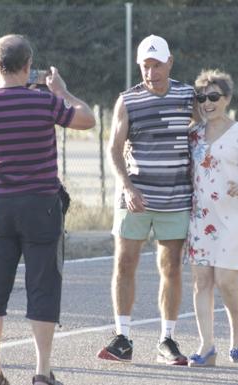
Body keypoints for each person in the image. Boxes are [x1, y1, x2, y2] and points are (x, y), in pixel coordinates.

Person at [0, 34, 95, 385]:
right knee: (43, 285)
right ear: (28, 66)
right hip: (41, 202)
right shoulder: (43, 103)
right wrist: (61, 92)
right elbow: (87, 119)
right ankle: (41, 372)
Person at [96, 34, 194, 366]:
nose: (151, 72)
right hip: (135, 197)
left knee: (172, 268)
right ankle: (122, 337)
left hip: (176, 197)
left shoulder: (186, 96)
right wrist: (126, 187)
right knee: (125, 264)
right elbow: (113, 148)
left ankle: (167, 340)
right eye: (145, 66)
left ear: (170, 62)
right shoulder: (128, 100)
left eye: (156, 65)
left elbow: (208, 128)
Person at [184, 69, 238, 367]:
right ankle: (206, 346)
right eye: (202, 97)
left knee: (226, 280)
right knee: (201, 281)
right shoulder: (193, 135)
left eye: (214, 97)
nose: (207, 103)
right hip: (200, 218)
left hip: (233, 219)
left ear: (227, 98)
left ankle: (236, 332)